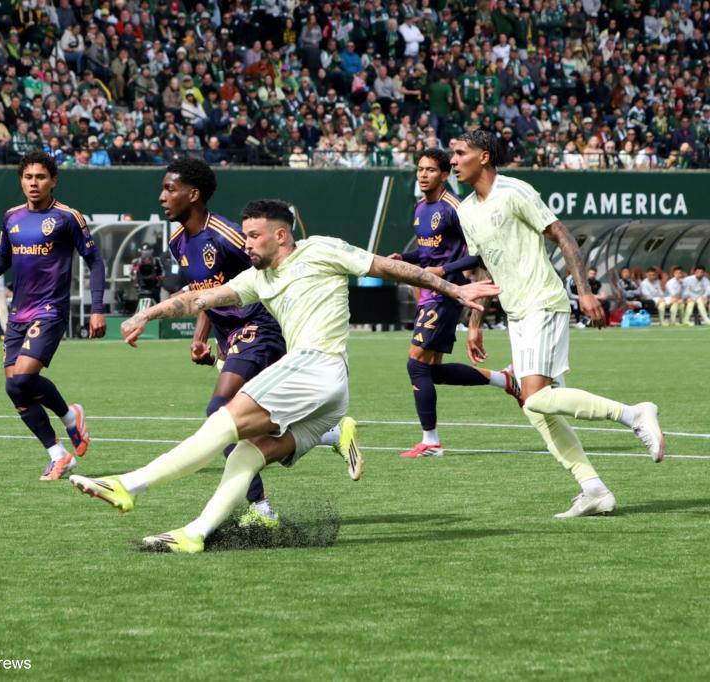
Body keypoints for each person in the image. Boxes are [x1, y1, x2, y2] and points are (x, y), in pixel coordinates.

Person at [69, 199, 499, 553]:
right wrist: (149, 313)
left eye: (253, 235)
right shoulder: (257, 278)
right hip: (332, 394)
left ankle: (128, 485)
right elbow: (202, 298)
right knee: (245, 454)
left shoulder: (320, 249)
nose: (247, 243)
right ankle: (195, 533)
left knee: (220, 423)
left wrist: (454, 289)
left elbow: (388, 268)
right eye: (245, 235)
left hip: (315, 364)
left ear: (280, 235)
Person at [449, 130, 665, 519]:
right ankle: (593, 489)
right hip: (516, 313)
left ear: (483, 157)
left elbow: (561, 234)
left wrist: (584, 291)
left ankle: (634, 414)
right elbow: (485, 267)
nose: (453, 160)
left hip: (543, 303)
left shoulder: (515, 191)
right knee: (537, 409)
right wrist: (476, 320)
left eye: (460, 153)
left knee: (534, 397)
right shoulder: (465, 210)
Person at [158, 159, 356, 529]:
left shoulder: (230, 236)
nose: (162, 196)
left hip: (261, 328)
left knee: (220, 409)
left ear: (193, 194)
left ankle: (260, 508)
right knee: (257, 422)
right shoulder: (176, 242)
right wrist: (201, 337)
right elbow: (209, 293)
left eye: (169, 189)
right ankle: (330, 433)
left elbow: (266, 276)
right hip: (233, 336)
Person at [0, 151, 107, 481]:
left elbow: (95, 262)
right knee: (14, 388)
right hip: (19, 313)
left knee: (24, 378)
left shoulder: (68, 217)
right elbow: (3, 259)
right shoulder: (11, 217)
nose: (33, 183)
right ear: (21, 181)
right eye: (28, 177)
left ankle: (70, 417)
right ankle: (58, 455)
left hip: (50, 309)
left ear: (53, 181)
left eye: (40, 177)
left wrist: (97, 309)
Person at [387, 150, 521, 459]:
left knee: (415, 364)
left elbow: (479, 254)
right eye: (420, 169)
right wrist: (403, 258)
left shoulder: (455, 208)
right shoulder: (420, 207)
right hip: (430, 291)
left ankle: (431, 442)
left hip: (447, 293)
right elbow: (427, 254)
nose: (423, 175)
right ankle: (504, 379)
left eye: (431, 170)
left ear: (445, 174)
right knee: (430, 372)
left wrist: (443, 271)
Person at [130, 242, 164, 310]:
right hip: (141, 289)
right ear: (140, 252)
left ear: (151, 252)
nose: (146, 254)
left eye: (148, 252)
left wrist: (158, 279)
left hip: (154, 289)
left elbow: (162, 273)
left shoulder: (156, 261)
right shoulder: (136, 262)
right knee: (142, 311)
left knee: (156, 310)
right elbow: (131, 275)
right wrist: (135, 280)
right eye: (144, 252)